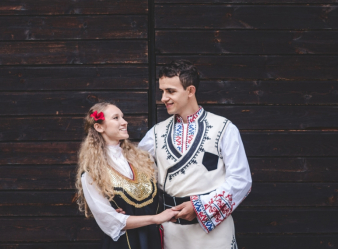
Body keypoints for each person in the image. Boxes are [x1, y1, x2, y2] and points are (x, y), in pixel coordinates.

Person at [138, 59, 252, 249]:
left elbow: (241, 181)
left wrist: (200, 208)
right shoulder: (155, 134)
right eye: (162, 91)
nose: (163, 98)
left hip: (214, 235)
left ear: (190, 91)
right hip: (172, 234)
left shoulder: (224, 129)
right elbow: (131, 172)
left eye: (171, 91)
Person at [75, 101, 181, 249]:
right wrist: (155, 218)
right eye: (116, 118)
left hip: (154, 240)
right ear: (99, 127)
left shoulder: (143, 159)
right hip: (124, 243)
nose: (124, 122)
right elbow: (110, 221)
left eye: (123, 117)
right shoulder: (92, 174)